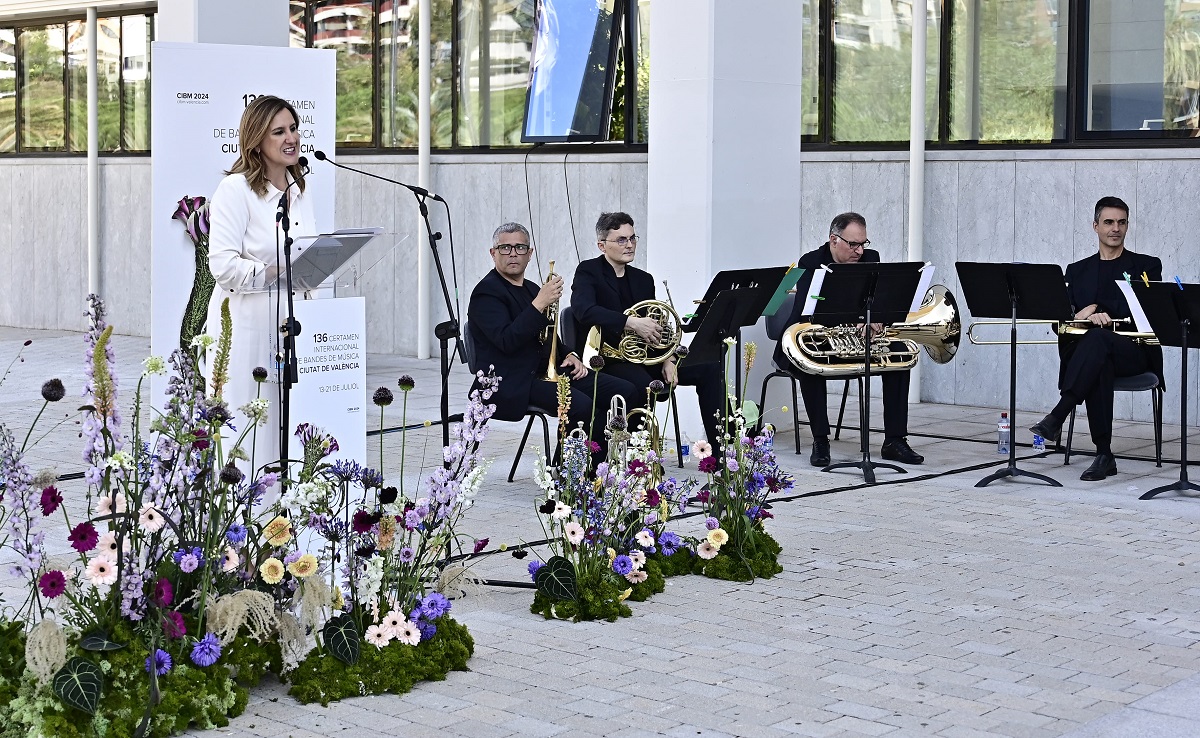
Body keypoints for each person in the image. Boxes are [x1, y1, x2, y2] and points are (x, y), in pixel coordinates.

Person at [206, 95, 313, 470]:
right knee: (251, 430)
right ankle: (245, 522)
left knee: (288, 430)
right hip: (247, 327)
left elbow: (303, 252)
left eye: (294, 128)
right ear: (256, 140)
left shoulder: (299, 187)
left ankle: (286, 521)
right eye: (279, 131)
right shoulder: (236, 190)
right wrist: (274, 271)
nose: (292, 138)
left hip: (292, 326)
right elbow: (222, 265)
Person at [467, 223, 638, 453]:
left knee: (624, 391)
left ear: (530, 254)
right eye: (505, 248)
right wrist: (539, 304)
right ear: (493, 253)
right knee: (581, 406)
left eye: (520, 248)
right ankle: (566, 474)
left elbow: (547, 334)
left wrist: (568, 353)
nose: (513, 254)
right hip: (510, 380)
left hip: (545, 373)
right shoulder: (486, 293)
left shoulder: (530, 288)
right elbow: (507, 341)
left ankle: (601, 465)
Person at [772, 212, 924, 467]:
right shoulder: (810, 262)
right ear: (833, 240)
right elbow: (806, 315)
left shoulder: (871, 259)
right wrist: (852, 317)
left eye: (864, 243)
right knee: (811, 367)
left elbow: (880, 300)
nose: (860, 251)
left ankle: (895, 440)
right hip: (807, 340)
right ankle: (820, 439)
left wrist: (876, 318)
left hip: (854, 339)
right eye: (853, 244)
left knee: (899, 357)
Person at [1029, 196, 1163, 481]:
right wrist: (1079, 315)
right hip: (1092, 357)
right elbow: (1060, 326)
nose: (1116, 228)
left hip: (1134, 353)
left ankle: (1058, 414)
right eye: (1109, 222)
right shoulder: (1077, 271)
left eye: (1122, 222)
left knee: (1099, 340)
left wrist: (1099, 313)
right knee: (1098, 356)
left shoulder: (1147, 267)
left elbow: (1150, 314)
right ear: (1095, 226)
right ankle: (1104, 454)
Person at [569, 212, 728, 449]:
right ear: (602, 245)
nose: (630, 244)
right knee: (642, 384)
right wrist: (629, 322)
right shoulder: (589, 272)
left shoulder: (643, 279)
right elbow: (583, 310)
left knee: (710, 369)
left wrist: (668, 359)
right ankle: (641, 456)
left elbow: (657, 326)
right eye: (621, 240)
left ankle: (722, 453)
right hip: (611, 360)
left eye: (633, 238)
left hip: (649, 358)